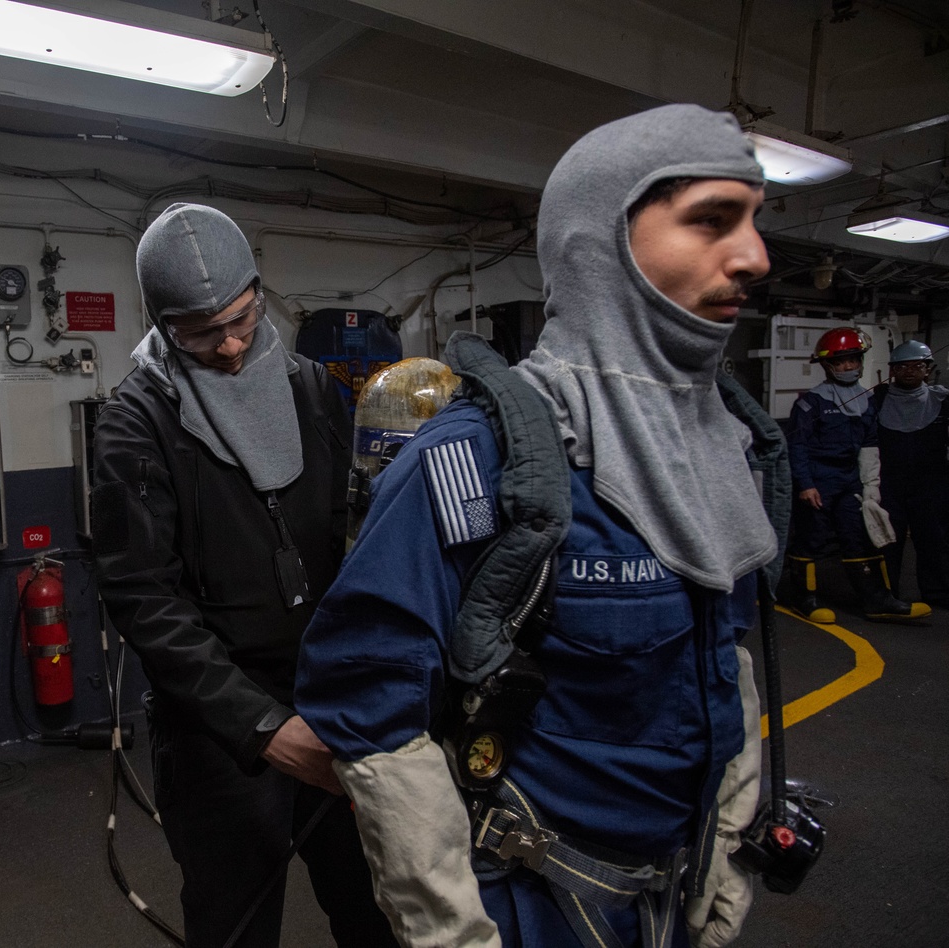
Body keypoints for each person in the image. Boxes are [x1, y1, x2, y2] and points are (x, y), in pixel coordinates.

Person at [294, 104, 792, 948]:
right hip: (539, 907)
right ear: (602, 245)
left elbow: (726, 656)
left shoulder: (724, 452)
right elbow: (366, 702)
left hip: (669, 892)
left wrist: (724, 851)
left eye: (752, 221)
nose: (755, 256)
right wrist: (454, 934)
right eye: (711, 220)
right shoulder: (480, 459)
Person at [90, 204, 395, 948]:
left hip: (330, 698)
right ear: (160, 321)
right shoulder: (137, 423)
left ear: (260, 292)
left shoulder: (316, 390)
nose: (228, 345)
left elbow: (348, 539)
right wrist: (260, 727)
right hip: (219, 731)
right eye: (199, 331)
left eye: (241, 317)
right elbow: (144, 598)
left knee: (378, 909)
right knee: (237, 923)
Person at [785, 327, 930, 623]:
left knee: (859, 535)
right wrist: (806, 485)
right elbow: (796, 446)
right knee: (812, 537)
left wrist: (871, 486)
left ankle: (878, 600)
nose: (848, 367)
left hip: (850, 479)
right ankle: (805, 598)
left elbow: (869, 444)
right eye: (841, 362)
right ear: (827, 366)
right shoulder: (811, 403)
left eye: (853, 360)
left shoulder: (866, 401)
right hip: (818, 480)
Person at [874, 340, 949, 606]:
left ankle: (938, 594)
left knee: (934, 540)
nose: (909, 371)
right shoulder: (877, 400)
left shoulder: (942, 401)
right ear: (892, 370)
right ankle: (888, 594)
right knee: (887, 540)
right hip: (889, 484)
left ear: (927, 369)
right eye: (902, 366)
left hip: (932, 484)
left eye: (917, 365)